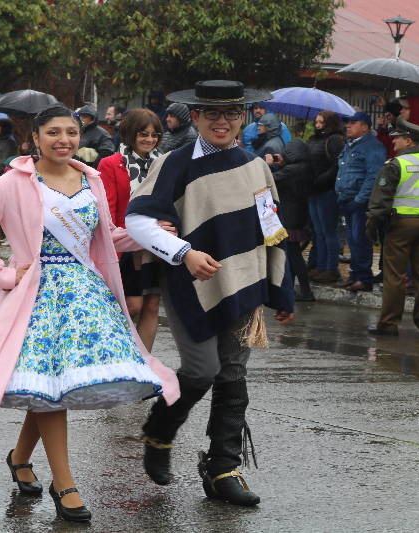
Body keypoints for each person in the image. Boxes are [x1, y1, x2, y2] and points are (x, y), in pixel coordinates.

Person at [0, 104, 179, 523]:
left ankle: (21, 457)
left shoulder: (90, 179)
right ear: (36, 139)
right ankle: (65, 484)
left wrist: (149, 237)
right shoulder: (14, 182)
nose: (64, 140)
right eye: (54, 133)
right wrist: (3, 273)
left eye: (72, 133)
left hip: (86, 294)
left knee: (50, 387)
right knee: (51, 389)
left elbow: (106, 237)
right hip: (36, 297)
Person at [126, 80, 295, 507]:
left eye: (232, 114)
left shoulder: (255, 165)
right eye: (212, 114)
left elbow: (271, 228)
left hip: (245, 283)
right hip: (191, 283)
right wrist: (183, 252)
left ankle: (223, 468)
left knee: (233, 375)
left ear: (243, 118)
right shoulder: (173, 164)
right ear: (195, 117)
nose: (222, 122)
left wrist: (282, 289)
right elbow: (138, 220)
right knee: (201, 369)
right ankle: (160, 433)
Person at [366, 120, 419, 336]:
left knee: (394, 276)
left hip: (400, 226)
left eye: (397, 138)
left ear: (408, 141)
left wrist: (372, 225)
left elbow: (381, 201)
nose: (393, 141)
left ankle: (389, 324)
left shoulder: (396, 165)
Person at [97, 108, 164, 351]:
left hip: (157, 245)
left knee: (152, 305)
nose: (149, 139)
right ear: (130, 133)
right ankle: (120, 357)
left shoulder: (163, 162)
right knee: (131, 306)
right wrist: (112, 251)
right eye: (143, 134)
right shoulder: (111, 164)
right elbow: (108, 211)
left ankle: (145, 363)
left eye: (154, 134)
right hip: (126, 245)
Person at [335, 111, 387, 292]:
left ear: (365, 127)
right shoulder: (350, 145)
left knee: (361, 239)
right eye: (347, 123)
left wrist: (359, 199)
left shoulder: (372, 147)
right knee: (352, 239)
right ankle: (355, 274)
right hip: (347, 199)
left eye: (353, 123)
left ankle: (364, 278)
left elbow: (374, 176)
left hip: (361, 202)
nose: (348, 126)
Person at [267, 139, 315, 301]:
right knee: (292, 254)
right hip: (297, 215)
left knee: (294, 255)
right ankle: (296, 289)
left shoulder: (292, 170)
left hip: (289, 216)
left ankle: (306, 291)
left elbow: (272, 179)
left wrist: (270, 165)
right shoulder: (305, 168)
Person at [306, 110, 346, 283]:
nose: (318, 125)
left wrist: (320, 180)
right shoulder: (314, 139)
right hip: (312, 190)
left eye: (321, 122)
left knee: (329, 231)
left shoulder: (335, 140)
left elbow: (336, 165)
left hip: (326, 191)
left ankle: (331, 268)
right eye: (316, 121)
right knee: (318, 232)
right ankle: (320, 266)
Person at [74, 104, 114, 169]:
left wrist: (92, 168)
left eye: (84, 117)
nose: (81, 119)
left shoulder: (102, 134)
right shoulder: (77, 130)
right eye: (80, 116)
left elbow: (107, 152)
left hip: (91, 171)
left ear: (92, 119)